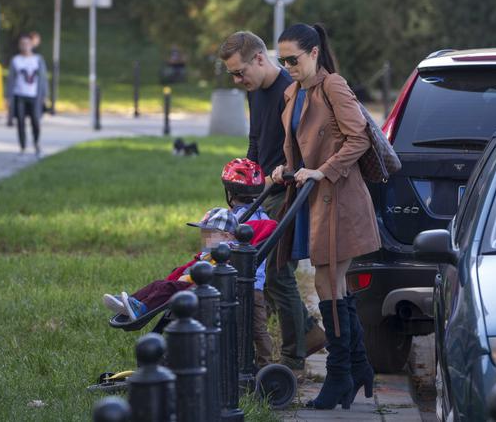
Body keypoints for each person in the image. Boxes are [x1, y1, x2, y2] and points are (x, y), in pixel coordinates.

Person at [271, 23, 380, 410]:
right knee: (335, 288)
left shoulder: (333, 85)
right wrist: (285, 169)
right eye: (281, 60)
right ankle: (357, 368)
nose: (287, 66)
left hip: (340, 200)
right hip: (312, 200)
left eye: (293, 59)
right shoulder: (293, 91)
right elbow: (299, 146)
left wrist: (323, 170)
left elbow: (359, 138)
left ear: (314, 53)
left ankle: (339, 377)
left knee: (327, 284)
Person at [219, 31, 326, 376]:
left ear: (260, 59)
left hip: (286, 189)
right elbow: (256, 139)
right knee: (259, 268)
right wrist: (244, 184)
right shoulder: (256, 92)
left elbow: (303, 144)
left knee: (277, 271)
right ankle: (308, 331)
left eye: (240, 72)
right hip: (261, 190)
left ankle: (294, 360)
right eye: (232, 75)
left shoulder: (288, 90)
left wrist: (284, 176)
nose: (238, 80)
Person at [103, 158, 277, 367]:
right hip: (200, 280)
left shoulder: (233, 243)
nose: (205, 240)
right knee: (160, 284)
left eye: (209, 235)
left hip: (236, 287)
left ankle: (264, 365)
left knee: (257, 330)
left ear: (227, 236)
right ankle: (131, 303)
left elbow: (246, 245)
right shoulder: (229, 232)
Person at [6, 33, 49, 157]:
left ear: (32, 45)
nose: (25, 46)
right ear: (20, 46)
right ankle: (23, 146)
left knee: (35, 120)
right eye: (22, 44)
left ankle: (36, 143)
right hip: (19, 95)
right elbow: (11, 79)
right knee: (20, 121)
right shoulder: (16, 60)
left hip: (34, 95)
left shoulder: (38, 59)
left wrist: (44, 95)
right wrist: (8, 97)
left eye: (27, 44)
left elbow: (43, 78)